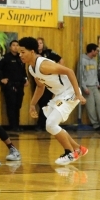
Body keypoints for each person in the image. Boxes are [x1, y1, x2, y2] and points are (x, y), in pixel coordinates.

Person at [19, 37, 87, 165]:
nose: (20, 55)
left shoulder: (43, 65)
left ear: (32, 51)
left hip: (70, 92)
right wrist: (32, 104)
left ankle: (70, 153)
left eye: (23, 52)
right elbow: (40, 86)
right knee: (51, 123)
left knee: (50, 124)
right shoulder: (31, 68)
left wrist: (78, 94)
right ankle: (78, 148)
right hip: (60, 95)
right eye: (19, 52)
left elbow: (69, 71)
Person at [0, 40, 27, 132]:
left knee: (18, 105)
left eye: (17, 45)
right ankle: (13, 126)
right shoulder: (5, 58)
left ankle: (17, 125)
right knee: (11, 105)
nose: (15, 47)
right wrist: (2, 78)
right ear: (10, 47)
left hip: (20, 85)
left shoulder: (21, 58)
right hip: (10, 85)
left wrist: (25, 79)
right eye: (13, 45)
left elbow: (23, 71)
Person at [35, 37, 62, 131]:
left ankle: (42, 124)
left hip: (49, 81)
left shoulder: (49, 52)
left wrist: (58, 70)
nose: (39, 45)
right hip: (39, 81)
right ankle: (42, 123)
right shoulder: (34, 54)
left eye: (41, 43)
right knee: (40, 102)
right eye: (37, 43)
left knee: (46, 102)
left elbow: (60, 59)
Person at [78, 43, 100, 130]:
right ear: (92, 51)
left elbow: (95, 74)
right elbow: (80, 75)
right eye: (96, 50)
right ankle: (95, 124)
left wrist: (97, 83)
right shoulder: (82, 60)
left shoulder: (94, 61)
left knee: (99, 103)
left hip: (95, 86)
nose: (97, 52)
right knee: (90, 107)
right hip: (87, 87)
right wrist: (84, 87)